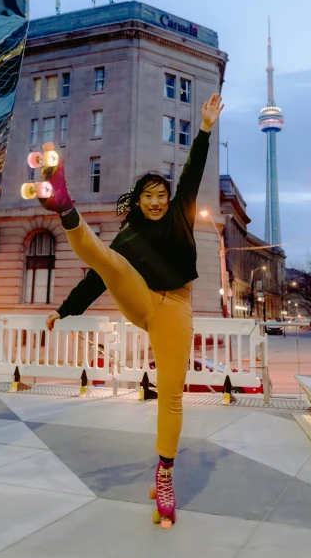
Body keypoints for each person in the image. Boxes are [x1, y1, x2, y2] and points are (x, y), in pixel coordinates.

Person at [38, 93, 224, 527]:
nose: (157, 202)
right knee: (107, 259)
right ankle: (66, 206)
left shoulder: (181, 212)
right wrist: (64, 311)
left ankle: (164, 474)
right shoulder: (128, 238)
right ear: (138, 202)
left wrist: (205, 128)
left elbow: (193, 170)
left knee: (172, 394)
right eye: (148, 197)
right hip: (141, 300)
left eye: (161, 194)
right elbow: (96, 278)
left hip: (175, 307)